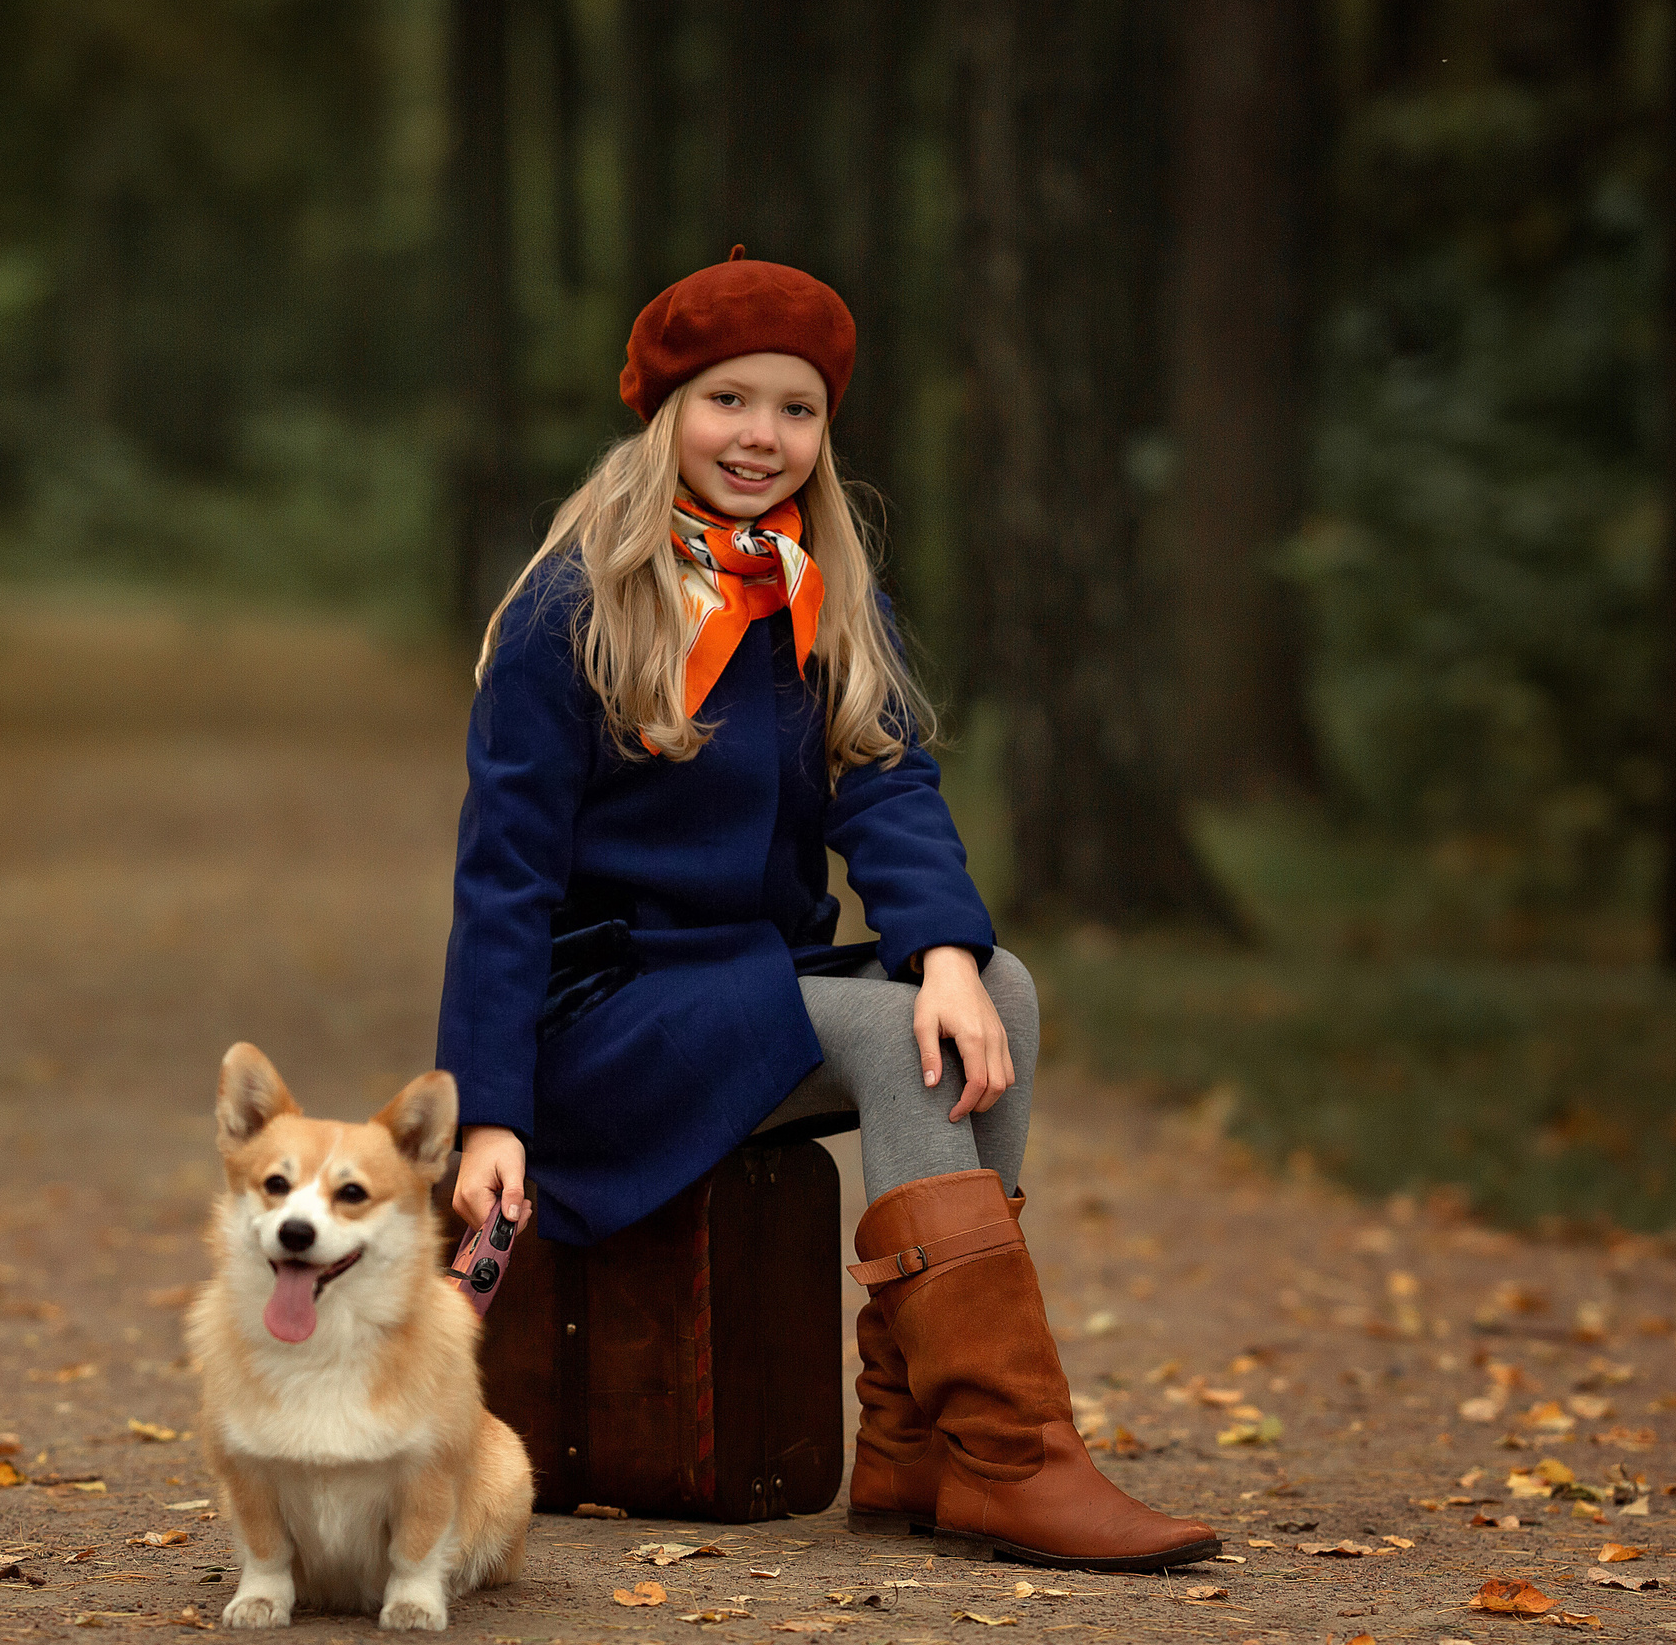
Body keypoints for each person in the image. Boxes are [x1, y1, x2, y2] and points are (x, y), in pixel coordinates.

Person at [434, 249, 1217, 1571]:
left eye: (796, 408)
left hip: (744, 993)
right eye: (728, 399)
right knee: (887, 1033)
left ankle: (920, 1442)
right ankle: (1009, 1448)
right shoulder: (572, 607)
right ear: (664, 408)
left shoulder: (821, 590)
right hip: (603, 1022)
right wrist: (492, 1109)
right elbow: (500, 880)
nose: (763, 435)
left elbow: (893, 788)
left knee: (1000, 990)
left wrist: (949, 952)